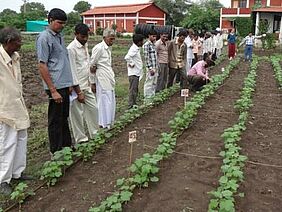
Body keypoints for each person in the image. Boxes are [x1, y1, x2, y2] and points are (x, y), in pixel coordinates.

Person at [36, 8, 73, 154]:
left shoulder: (59, 36)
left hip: (64, 84)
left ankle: (66, 147)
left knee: (64, 118)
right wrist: (53, 90)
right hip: (55, 86)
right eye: (59, 23)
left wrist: (69, 84)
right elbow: (42, 64)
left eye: (64, 23)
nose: (62, 25)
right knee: (55, 121)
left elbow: (62, 61)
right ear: (50, 20)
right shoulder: (44, 38)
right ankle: (56, 152)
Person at [0, 27, 30, 195]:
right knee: (7, 143)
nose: (21, 43)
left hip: (18, 105)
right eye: (18, 41)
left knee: (21, 139)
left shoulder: (15, 57)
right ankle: (3, 180)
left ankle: (18, 173)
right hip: (4, 108)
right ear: (9, 42)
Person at [67, 23, 99, 144]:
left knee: (93, 109)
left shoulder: (84, 45)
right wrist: (78, 91)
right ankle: (81, 140)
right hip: (76, 87)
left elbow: (86, 65)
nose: (85, 39)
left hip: (86, 83)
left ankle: (95, 135)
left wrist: (92, 81)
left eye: (87, 36)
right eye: (82, 36)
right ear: (76, 34)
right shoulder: (71, 49)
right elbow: (72, 70)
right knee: (77, 115)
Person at [90, 28, 116, 129]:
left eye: (113, 39)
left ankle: (109, 122)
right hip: (101, 77)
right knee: (104, 100)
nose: (112, 41)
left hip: (108, 76)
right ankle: (103, 123)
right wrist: (92, 82)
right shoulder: (99, 48)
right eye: (110, 39)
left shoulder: (108, 48)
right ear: (104, 38)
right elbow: (92, 65)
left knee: (110, 99)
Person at [124, 34, 144, 108]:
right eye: (142, 41)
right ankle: (130, 106)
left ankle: (134, 104)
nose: (143, 42)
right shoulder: (134, 49)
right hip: (133, 73)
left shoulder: (136, 48)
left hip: (136, 72)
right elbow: (127, 57)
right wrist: (131, 63)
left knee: (135, 89)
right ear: (138, 42)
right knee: (133, 90)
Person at [143, 29, 159, 98]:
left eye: (155, 36)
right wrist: (150, 68)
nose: (154, 38)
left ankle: (152, 98)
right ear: (149, 36)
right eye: (153, 36)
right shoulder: (146, 45)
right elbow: (146, 58)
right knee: (149, 84)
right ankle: (147, 100)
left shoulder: (153, 44)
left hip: (155, 67)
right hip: (151, 68)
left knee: (154, 83)